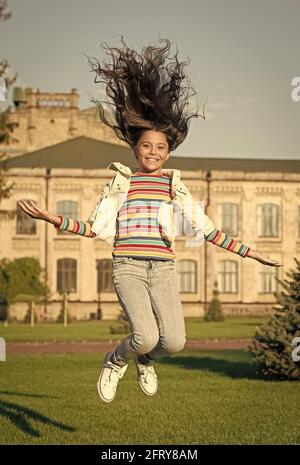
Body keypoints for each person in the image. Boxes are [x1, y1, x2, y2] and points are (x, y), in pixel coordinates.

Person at [17, 37, 282, 403]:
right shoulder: (121, 182)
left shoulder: (175, 185)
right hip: (128, 267)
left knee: (172, 342)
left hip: (163, 270)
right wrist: (52, 218)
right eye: (146, 146)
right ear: (135, 148)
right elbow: (94, 228)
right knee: (145, 335)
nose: (153, 152)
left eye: (161, 148)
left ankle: (145, 360)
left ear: (168, 152)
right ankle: (114, 360)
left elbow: (206, 230)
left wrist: (252, 254)